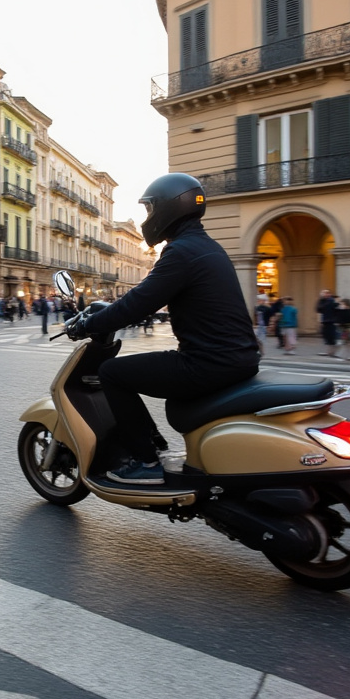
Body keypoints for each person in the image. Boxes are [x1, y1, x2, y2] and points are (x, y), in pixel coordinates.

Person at [65, 173, 260, 485]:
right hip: (236, 357)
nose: (149, 218)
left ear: (168, 208)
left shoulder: (181, 252)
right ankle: (153, 443)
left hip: (208, 363)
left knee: (113, 373)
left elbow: (136, 304)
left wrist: (87, 324)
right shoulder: (207, 247)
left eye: (150, 210)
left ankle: (144, 460)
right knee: (145, 367)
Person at [316, 289, 341, 358]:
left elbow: (337, 309)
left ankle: (332, 351)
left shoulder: (331, 301)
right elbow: (318, 309)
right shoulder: (322, 301)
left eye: (326, 293)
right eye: (323, 293)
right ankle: (330, 351)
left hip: (331, 321)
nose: (324, 294)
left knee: (332, 336)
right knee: (326, 336)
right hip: (325, 320)